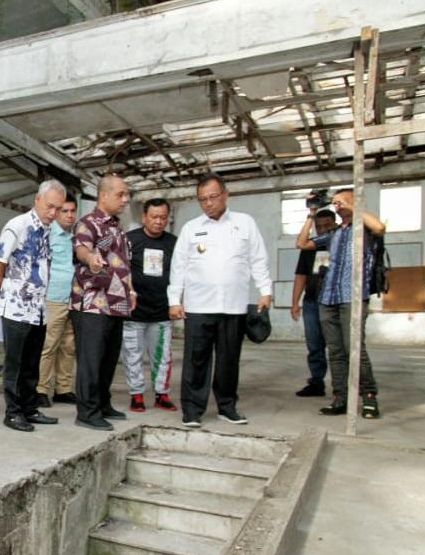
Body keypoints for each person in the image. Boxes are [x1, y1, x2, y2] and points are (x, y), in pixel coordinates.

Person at [168, 174, 272, 428]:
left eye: (213, 197)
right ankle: (192, 410)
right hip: (198, 306)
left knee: (228, 360)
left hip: (233, 306)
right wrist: (174, 299)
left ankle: (227, 407)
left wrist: (265, 290)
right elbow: (178, 266)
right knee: (196, 360)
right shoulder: (191, 228)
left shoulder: (245, 223)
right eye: (202, 199)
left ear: (226, 194)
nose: (208, 203)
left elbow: (258, 258)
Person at [296, 189, 386, 418]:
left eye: (340, 202)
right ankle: (340, 398)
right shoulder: (333, 234)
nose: (337, 207)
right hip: (328, 297)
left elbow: (380, 227)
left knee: (354, 348)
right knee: (335, 351)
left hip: (352, 297)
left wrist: (353, 207)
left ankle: (368, 397)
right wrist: (311, 214)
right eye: (335, 203)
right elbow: (302, 243)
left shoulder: (364, 230)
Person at [0, 180, 66, 432]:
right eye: (49, 206)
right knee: (15, 363)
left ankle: (29, 408)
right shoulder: (17, 226)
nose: (53, 213)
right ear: (37, 200)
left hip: (38, 309)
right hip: (15, 308)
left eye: (57, 208)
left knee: (32, 362)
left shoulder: (47, 231)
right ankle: (12, 413)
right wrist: (2, 297)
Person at [71, 175, 136, 431]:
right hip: (92, 304)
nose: (125, 199)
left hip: (116, 303)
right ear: (104, 196)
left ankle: (102, 403)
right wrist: (91, 260)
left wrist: (131, 291)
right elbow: (82, 250)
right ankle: (86, 412)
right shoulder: (88, 224)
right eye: (120, 194)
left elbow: (123, 265)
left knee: (108, 359)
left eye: (126, 194)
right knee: (91, 358)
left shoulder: (118, 228)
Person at [121, 198, 178, 413]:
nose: (159, 221)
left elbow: (180, 273)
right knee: (132, 355)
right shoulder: (129, 240)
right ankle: (136, 395)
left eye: (163, 217)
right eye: (154, 217)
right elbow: (121, 270)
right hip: (134, 312)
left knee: (162, 357)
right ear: (144, 217)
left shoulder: (173, 243)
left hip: (162, 311)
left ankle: (161, 394)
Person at [290, 209, 339, 397]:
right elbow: (301, 276)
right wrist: (295, 303)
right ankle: (317, 383)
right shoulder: (310, 248)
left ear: (335, 224)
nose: (322, 229)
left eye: (327, 225)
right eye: (318, 227)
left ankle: (340, 386)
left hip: (334, 303)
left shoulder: (341, 243)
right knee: (314, 347)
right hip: (311, 303)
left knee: (337, 346)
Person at [37, 197, 78, 407]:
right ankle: (41, 389)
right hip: (53, 298)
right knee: (49, 346)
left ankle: (63, 389)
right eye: (64, 211)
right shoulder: (48, 234)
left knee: (68, 346)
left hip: (72, 299)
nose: (69, 215)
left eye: (72, 211)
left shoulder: (75, 237)